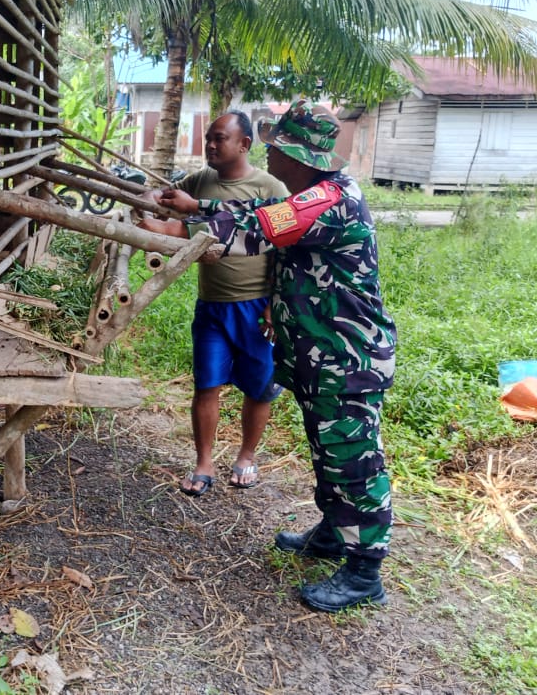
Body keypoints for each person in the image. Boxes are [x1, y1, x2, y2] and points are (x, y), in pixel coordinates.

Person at [137, 100, 397, 613]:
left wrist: (180, 223)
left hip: (348, 360)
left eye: (277, 149)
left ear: (299, 157)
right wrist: (195, 207)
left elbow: (253, 228)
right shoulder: (311, 196)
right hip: (322, 357)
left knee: (355, 461)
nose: (271, 157)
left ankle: (365, 572)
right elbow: (254, 215)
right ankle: (333, 532)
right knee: (327, 452)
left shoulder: (326, 201)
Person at [161, 111, 289, 497]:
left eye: (220, 138)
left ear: (244, 144)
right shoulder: (200, 180)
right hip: (213, 305)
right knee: (207, 384)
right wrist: (148, 197)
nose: (211, 145)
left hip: (257, 307)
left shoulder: (269, 187)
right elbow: (165, 198)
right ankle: (204, 463)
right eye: (208, 139)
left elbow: (288, 248)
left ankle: (246, 456)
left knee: (259, 387)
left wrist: (276, 302)